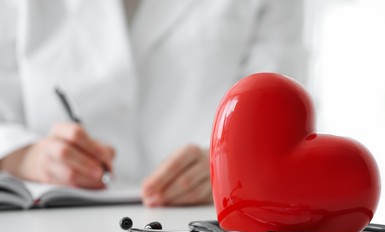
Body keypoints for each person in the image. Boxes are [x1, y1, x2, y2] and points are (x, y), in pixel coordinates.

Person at [0, 0, 307, 206]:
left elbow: (282, 108)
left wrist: (234, 162)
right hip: (51, 226)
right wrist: (23, 155)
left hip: (207, 219)